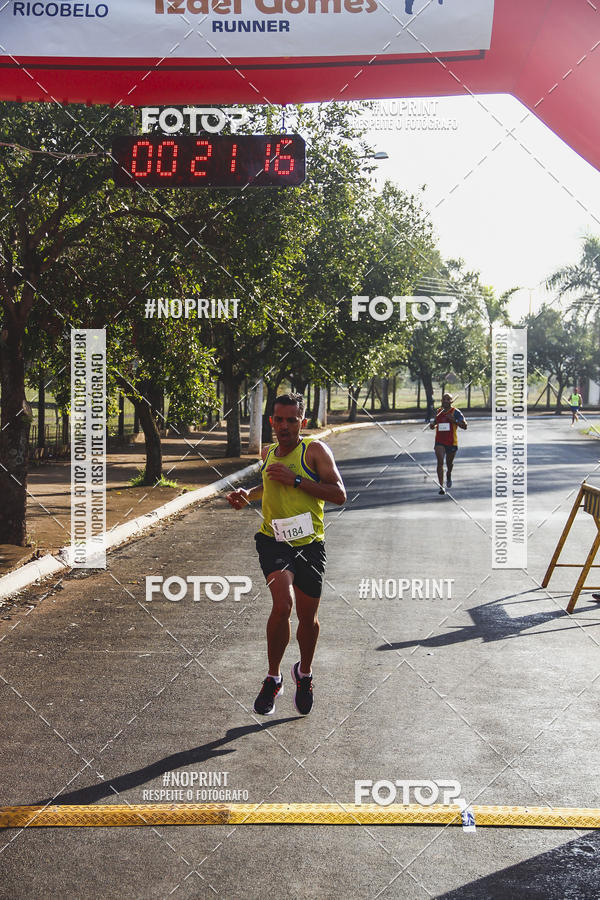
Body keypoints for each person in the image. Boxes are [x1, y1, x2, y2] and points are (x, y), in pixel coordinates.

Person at [226, 392, 346, 716]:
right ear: (271, 422)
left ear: (302, 422)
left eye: (292, 420)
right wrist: (246, 495)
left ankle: (303, 674)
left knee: (308, 619)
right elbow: (269, 485)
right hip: (274, 541)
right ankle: (273, 677)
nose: (284, 426)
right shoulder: (268, 454)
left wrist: (296, 479)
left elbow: (339, 494)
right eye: (279, 419)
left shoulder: (315, 451)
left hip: (309, 544)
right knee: (282, 605)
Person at [429, 393, 467, 494]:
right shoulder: (438, 412)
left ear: (451, 401)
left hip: (451, 442)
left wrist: (454, 420)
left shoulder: (456, 412)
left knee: (449, 464)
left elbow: (465, 426)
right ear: (441, 401)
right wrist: (432, 425)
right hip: (439, 441)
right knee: (440, 462)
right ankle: (441, 487)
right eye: (443, 399)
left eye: (448, 399)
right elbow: (434, 423)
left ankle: (449, 474)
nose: (445, 401)